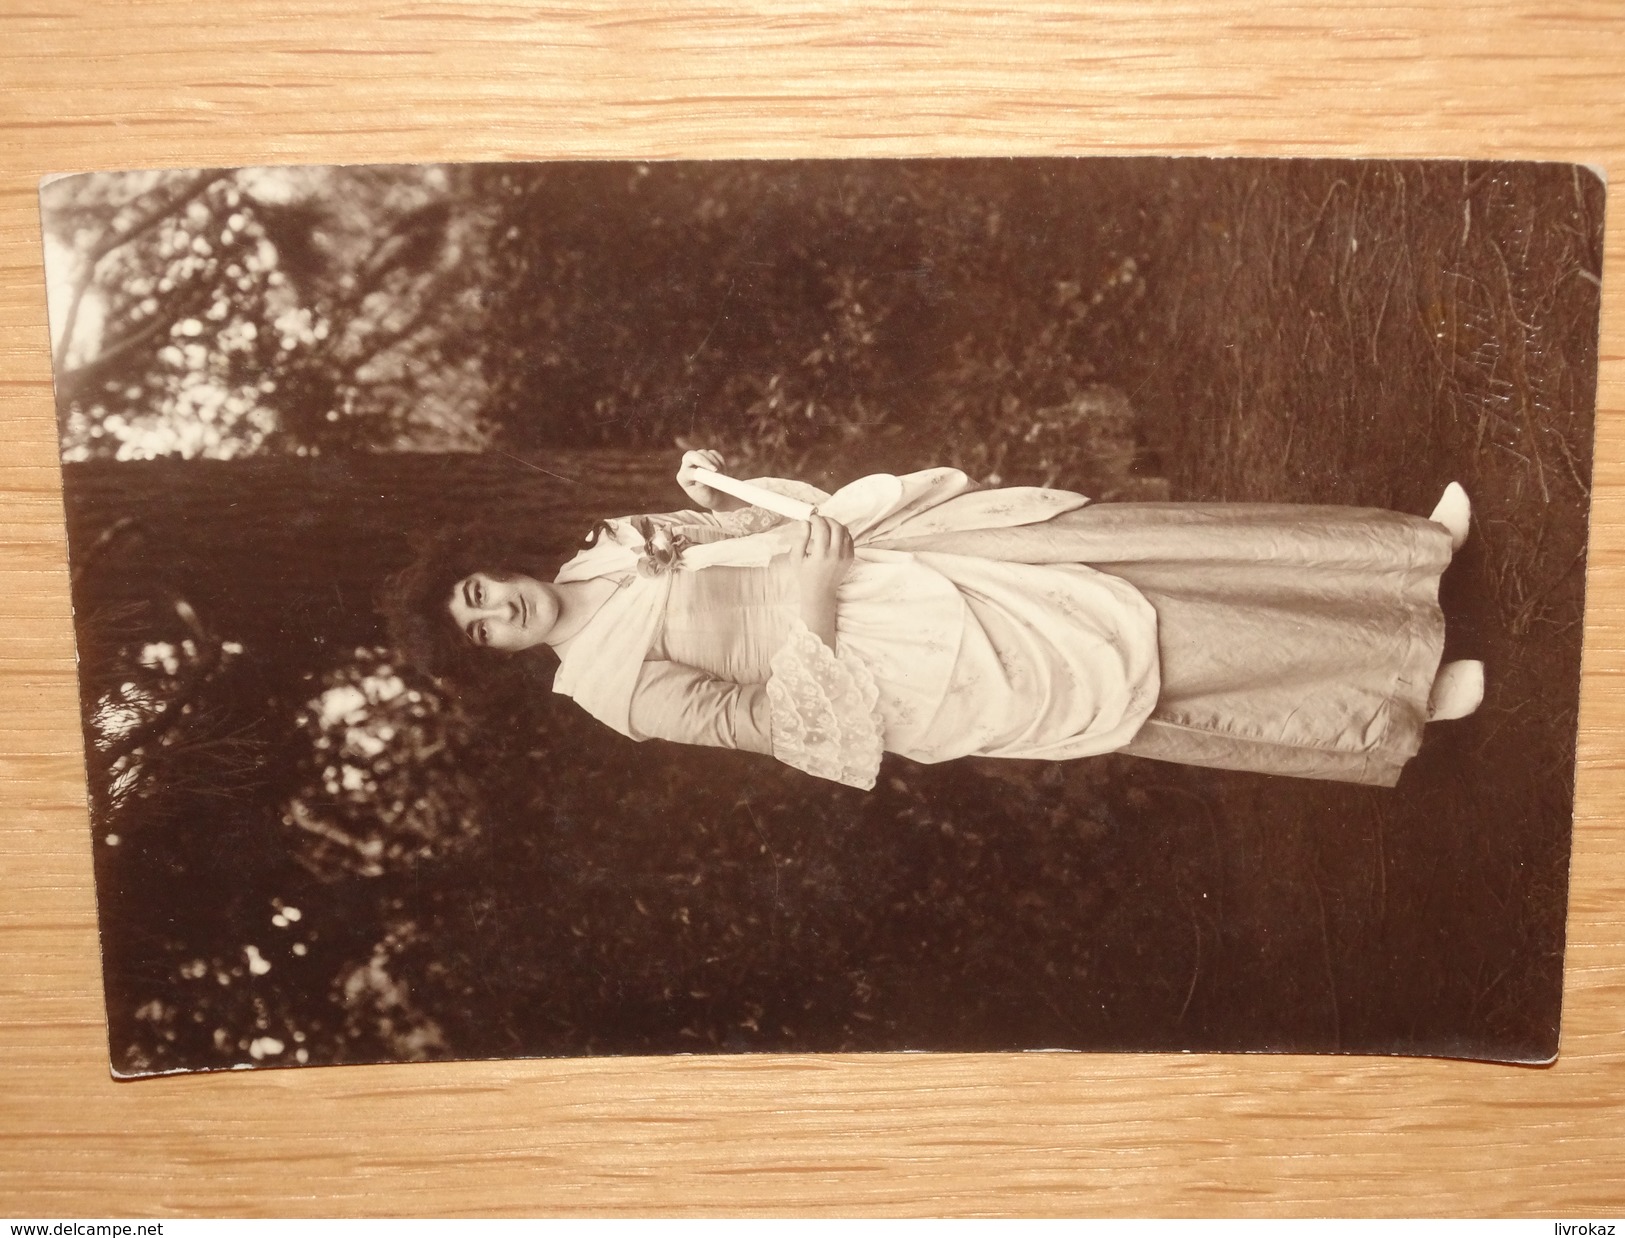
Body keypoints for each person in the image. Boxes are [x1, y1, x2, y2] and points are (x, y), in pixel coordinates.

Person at [388, 450, 1483, 791]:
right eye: (479, 631)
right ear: (498, 656)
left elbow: (747, 529)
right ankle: (1394, 691)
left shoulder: (610, 544)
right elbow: (780, 728)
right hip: (911, 663)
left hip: (912, 563)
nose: (497, 610)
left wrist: (727, 494)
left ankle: (1401, 558)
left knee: (1150, 551)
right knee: (1158, 660)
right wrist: (810, 605)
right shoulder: (610, 689)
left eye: (476, 591)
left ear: (489, 567)